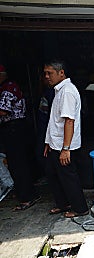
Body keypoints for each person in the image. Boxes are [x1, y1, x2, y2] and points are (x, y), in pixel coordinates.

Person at [43, 60, 89, 218]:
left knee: (68, 177)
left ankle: (80, 208)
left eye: (50, 73)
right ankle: (64, 204)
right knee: (52, 173)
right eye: (45, 73)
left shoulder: (67, 91)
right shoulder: (59, 90)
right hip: (56, 143)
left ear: (61, 73)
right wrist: (48, 141)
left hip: (65, 145)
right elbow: (56, 120)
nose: (47, 76)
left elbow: (69, 121)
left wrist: (66, 149)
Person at [0, 64, 41, 211]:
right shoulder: (8, 87)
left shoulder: (7, 88)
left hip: (13, 128)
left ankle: (27, 197)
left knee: (18, 164)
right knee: (21, 162)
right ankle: (27, 192)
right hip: (16, 128)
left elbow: (3, 111)